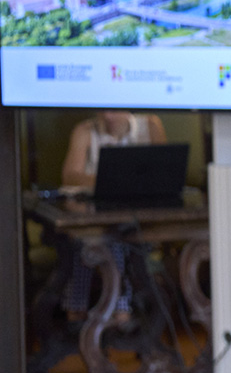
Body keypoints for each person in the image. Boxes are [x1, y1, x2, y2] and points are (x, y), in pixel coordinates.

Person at [60, 110, 167, 321]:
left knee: (120, 239)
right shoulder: (85, 131)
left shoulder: (151, 127)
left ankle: (117, 307)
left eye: (114, 110)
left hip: (142, 219)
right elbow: (70, 177)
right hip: (95, 218)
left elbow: (165, 172)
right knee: (95, 239)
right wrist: (113, 179)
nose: (108, 116)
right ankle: (111, 307)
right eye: (103, 110)